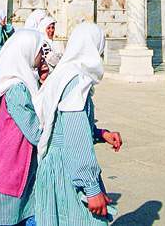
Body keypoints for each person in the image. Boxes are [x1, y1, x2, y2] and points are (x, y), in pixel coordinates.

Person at [33, 22, 122, 225]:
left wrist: (100, 134)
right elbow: (75, 137)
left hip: (55, 164)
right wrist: (91, 188)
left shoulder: (63, 74)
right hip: (68, 169)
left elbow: (63, 124)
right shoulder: (76, 81)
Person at [0, 29, 46, 226]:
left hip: (12, 163)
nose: (42, 56)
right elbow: (34, 131)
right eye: (39, 51)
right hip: (10, 167)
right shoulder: (16, 89)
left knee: (22, 215)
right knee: (0, 219)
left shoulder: (11, 83)